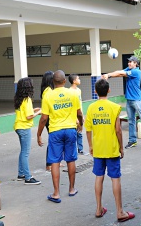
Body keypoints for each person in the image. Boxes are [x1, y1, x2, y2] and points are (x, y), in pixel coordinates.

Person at [85, 79, 135, 222]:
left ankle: (99, 208)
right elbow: (118, 130)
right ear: (109, 91)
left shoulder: (91, 108)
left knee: (98, 177)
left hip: (98, 149)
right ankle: (120, 211)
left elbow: (88, 130)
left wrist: (91, 146)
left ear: (95, 92)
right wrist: (121, 147)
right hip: (111, 149)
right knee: (115, 178)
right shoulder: (114, 107)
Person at [37, 70, 83, 203]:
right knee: (71, 159)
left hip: (55, 131)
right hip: (70, 130)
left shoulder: (48, 96)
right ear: (64, 81)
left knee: (55, 162)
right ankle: (72, 189)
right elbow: (79, 113)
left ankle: (56, 193)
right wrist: (80, 124)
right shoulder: (73, 93)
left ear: (53, 82)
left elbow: (44, 118)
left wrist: (39, 134)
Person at [102, 56, 141, 149]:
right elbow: (120, 73)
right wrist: (109, 75)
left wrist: (108, 75)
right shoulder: (129, 69)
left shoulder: (136, 71)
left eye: (131, 62)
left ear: (136, 63)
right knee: (131, 121)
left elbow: (121, 73)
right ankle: (132, 141)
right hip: (129, 100)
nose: (129, 63)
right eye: (129, 62)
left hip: (137, 100)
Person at [14, 77, 41, 185]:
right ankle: (28, 177)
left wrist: (34, 109)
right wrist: (39, 113)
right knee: (25, 153)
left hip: (18, 126)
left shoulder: (19, 98)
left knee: (23, 151)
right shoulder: (27, 99)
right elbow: (29, 116)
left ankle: (21, 174)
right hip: (24, 128)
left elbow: (25, 111)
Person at [40, 71, 55, 171]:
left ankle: (53, 162)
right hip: (50, 118)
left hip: (49, 117)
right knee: (53, 141)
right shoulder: (49, 91)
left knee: (54, 141)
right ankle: (49, 164)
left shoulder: (47, 90)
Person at [68, 74, 84, 154]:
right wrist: (76, 118)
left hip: (80, 114)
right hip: (74, 116)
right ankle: (73, 150)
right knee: (74, 133)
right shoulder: (69, 91)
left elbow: (80, 104)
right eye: (78, 79)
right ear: (74, 81)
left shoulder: (79, 90)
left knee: (80, 132)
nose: (79, 80)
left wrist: (82, 116)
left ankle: (80, 149)